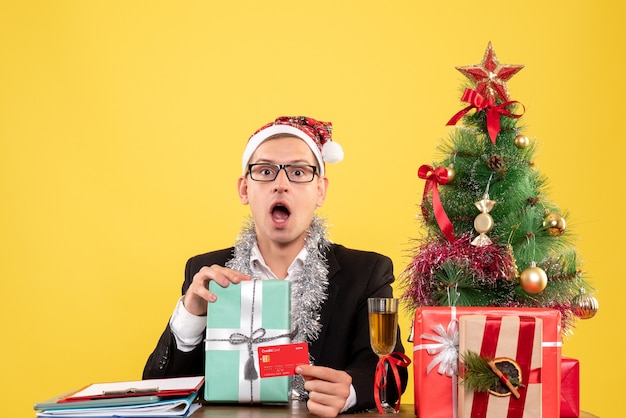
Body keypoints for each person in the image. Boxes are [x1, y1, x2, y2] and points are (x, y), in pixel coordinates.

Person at [143, 116, 408, 417]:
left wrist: (351, 391)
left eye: (298, 172)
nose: (281, 185)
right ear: (244, 189)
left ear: (320, 190)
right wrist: (191, 316)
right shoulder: (206, 273)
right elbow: (160, 392)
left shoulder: (366, 272)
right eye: (266, 171)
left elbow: (391, 374)